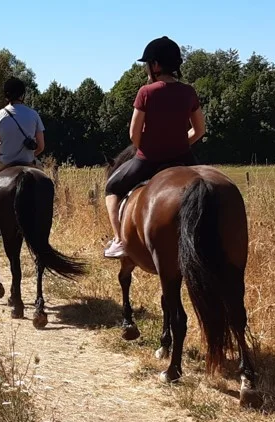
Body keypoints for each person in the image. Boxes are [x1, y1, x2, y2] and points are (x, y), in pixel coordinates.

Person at [103, 36, 206, 258]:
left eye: (147, 64)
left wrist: (148, 149)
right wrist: (178, 143)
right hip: (184, 158)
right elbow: (199, 130)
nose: (146, 70)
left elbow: (134, 133)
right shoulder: (188, 92)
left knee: (111, 188)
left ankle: (120, 241)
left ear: (156, 65)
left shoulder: (146, 92)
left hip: (148, 159)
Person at [0, 77, 46, 231]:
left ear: (6, 95)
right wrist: (31, 156)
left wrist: (1, 155)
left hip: (4, 163)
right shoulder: (33, 115)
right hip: (28, 162)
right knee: (45, 182)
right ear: (22, 94)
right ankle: (45, 215)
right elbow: (41, 146)